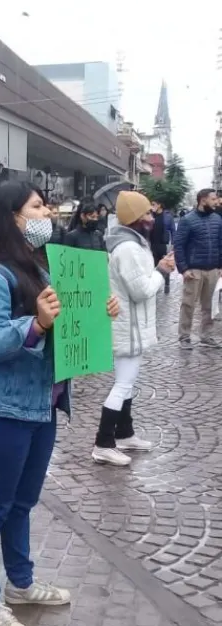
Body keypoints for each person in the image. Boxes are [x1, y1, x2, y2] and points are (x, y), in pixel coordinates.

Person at [0, 180, 118, 626]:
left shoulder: (43, 267)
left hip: (42, 407)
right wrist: (36, 323)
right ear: (12, 217)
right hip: (1, 411)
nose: (47, 213)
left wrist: (97, 312)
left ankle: (21, 584)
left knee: (22, 502)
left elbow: (68, 322)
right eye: (37, 206)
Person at [92, 191, 174, 466]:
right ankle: (103, 442)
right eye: (148, 214)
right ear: (136, 218)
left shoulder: (133, 243)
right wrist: (161, 271)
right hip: (127, 327)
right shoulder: (127, 248)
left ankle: (124, 434)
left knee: (127, 383)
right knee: (123, 383)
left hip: (132, 326)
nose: (152, 218)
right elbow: (140, 291)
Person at [174, 189, 222, 348]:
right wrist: (183, 268)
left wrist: (220, 266)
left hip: (213, 269)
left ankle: (206, 336)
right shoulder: (187, 220)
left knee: (209, 305)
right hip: (193, 270)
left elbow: (220, 244)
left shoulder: (217, 219)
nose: (217, 202)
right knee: (188, 304)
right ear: (203, 200)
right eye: (213, 199)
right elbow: (179, 245)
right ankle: (184, 337)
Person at [150, 200, 171, 294]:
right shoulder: (150, 216)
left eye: (153, 204)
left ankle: (167, 283)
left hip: (162, 244)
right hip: (152, 244)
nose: (152, 206)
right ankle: (154, 286)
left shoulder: (167, 217)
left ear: (159, 205)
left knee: (165, 264)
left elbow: (173, 230)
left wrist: (173, 245)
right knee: (153, 265)